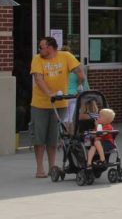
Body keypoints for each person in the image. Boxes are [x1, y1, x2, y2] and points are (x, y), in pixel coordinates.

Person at [30, 36, 84, 178]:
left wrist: (80, 83)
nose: (39, 49)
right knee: (39, 137)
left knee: (54, 137)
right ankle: (40, 168)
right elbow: (38, 79)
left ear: (50, 47)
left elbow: (79, 70)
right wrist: (50, 93)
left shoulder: (66, 56)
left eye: (41, 47)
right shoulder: (37, 59)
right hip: (40, 104)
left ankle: (52, 166)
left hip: (60, 103)